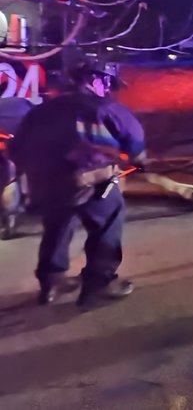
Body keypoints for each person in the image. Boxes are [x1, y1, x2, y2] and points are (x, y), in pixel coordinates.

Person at [9, 61, 146, 307]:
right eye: (107, 83)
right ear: (97, 79)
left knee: (57, 226)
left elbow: (16, 148)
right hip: (90, 181)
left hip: (46, 183)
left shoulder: (41, 110)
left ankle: (52, 281)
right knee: (107, 223)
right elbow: (135, 141)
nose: (108, 90)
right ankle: (100, 283)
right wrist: (139, 161)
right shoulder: (105, 107)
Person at [0, 96, 34, 240]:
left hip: (6, 146)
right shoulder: (22, 104)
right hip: (12, 147)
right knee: (12, 178)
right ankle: (9, 223)